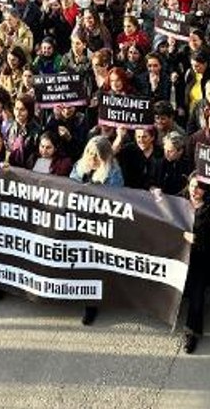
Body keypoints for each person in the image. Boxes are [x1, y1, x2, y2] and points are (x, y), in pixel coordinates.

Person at [69, 136, 124, 326]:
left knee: (93, 266)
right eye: (90, 153)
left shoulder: (113, 173)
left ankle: (90, 305)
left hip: (99, 225)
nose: (92, 158)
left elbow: (116, 199)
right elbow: (69, 187)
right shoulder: (79, 166)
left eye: (97, 155)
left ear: (105, 157)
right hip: (79, 220)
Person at [181, 172, 210, 354]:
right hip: (179, 257)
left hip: (200, 259)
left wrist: (196, 239)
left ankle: (191, 332)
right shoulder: (179, 202)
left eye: (199, 187)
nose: (194, 190)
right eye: (192, 185)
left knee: (197, 297)